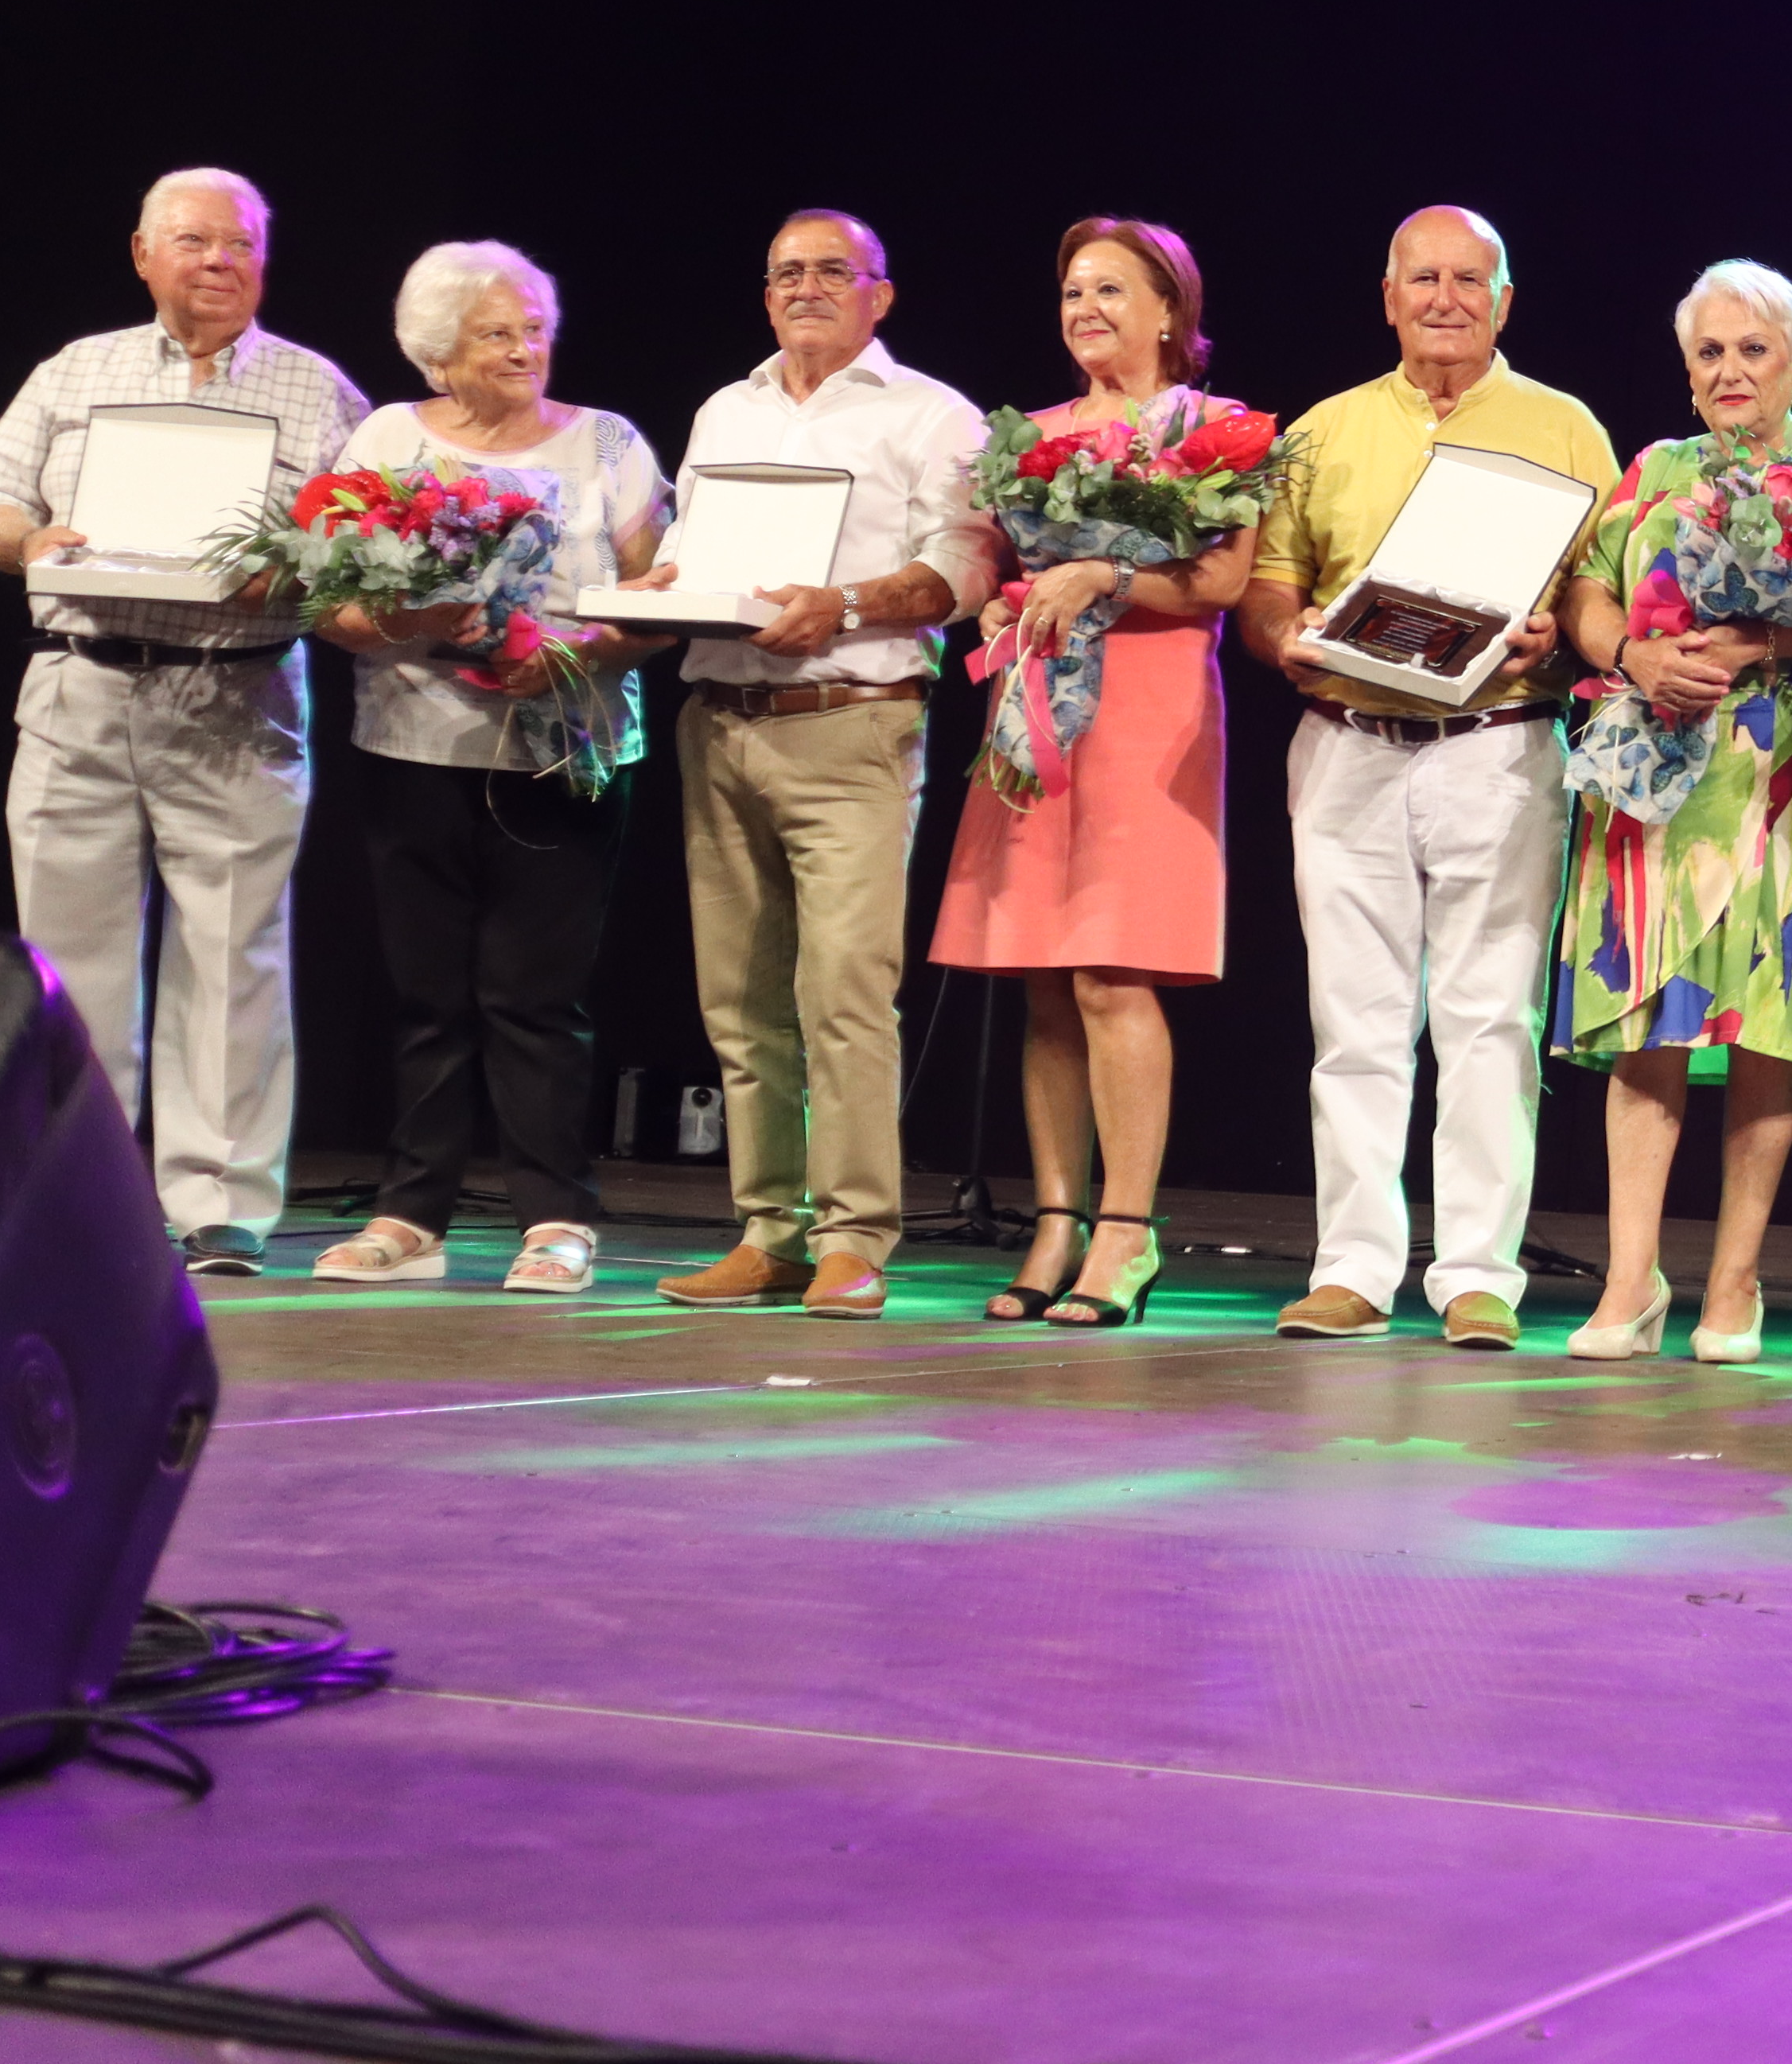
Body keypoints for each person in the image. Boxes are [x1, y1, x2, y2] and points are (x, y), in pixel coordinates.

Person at [0, 168, 364, 1274]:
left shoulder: (316, 389)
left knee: (234, 950)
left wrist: (288, 574)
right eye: (194, 242)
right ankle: (75, 1198)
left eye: (241, 244)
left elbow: (366, 547)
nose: (220, 261)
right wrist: (27, 540)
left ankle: (220, 1208)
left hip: (237, 690)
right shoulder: (75, 369)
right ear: (143, 254)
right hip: (82, 684)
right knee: (70, 953)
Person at [1240, 208, 1623, 1348]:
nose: (1446, 299)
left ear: (1504, 300)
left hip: (1498, 745)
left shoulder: (1564, 429)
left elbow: (1599, 595)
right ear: (1388, 294)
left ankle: (1475, 1277)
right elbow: (1269, 587)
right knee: (1352, 1025)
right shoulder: (1326, 429)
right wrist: (1287, 636)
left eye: (1470, 280)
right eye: (1425, 280)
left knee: (1488, 1020)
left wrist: (1551, 638)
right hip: (1348, 741)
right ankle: (1354, 1267)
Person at [1551, 261, 1792, 1361]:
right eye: (1711, 352)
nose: (1731, 370)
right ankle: (1629, 1283)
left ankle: (1733, 1287)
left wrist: (1773, 642)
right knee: (1646, 1027)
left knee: (1767, 1024)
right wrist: (1632, 653)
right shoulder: (1654, 468)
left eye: (1754, 350)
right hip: (1660, 776)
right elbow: (1587, 589)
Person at [647, 210, 996, 1320]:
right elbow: (684, 546)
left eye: (831, 272)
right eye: (786, 273)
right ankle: (770, 1231)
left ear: (878, 295)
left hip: (851, 717)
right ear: (764, 295)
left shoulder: (931, 414)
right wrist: (660, 585)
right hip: (719, 717)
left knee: (844, 991)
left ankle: (853, 1238)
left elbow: (964, 568)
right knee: (740, 1002)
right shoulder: (725, 407)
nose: (806, 288)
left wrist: (845, 604)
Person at [306, 243, 667, 1299]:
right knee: (427, 997)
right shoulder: (384, 439)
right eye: (498, 333)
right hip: (413, 751)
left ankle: (556, 1216)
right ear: (438, 354)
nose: (527, 347)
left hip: (564, 753)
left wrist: (580, 655)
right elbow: (326, 601)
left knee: (535, 998)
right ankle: (411, 1215)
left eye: (536, 326)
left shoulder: (610, 445)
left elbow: (664, 599)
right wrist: (403, 622)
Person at [931, 220, 1258, 1331]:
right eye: (1074, 291)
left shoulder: (1212, 429)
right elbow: (993, 554)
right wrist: (1003, 592)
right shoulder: (1035, 434)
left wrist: (1100, 571)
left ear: (1171, 310)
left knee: (1115, 973)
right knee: (1041, 975)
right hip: (1035, 700)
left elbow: (1216, 586)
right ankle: (1055, 1220)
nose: (1088, 310)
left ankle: (1127, 1228)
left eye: (1113, 290)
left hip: (1150, 709)